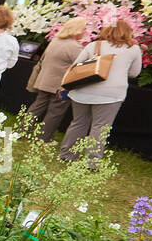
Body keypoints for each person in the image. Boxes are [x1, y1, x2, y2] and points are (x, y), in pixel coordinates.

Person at [61, 20, 143, 164]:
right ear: (128, 32)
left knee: (78, 123)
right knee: (100, 127)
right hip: (111, 94)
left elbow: (75, 67)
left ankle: (67, 154)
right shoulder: (133, 49)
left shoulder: (94, 45)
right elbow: (134, 73)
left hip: (82, 91)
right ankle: (92, 162)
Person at [26, 16, 86, 143]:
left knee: (37, 107)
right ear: (77, 30)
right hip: (60, 86)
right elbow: (80, 67)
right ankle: (43, 138)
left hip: (44, 81)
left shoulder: (55, 41)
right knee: (55, 112)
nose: (85, 32)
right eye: (84, 29)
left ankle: (22, 130)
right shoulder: (76, 47)